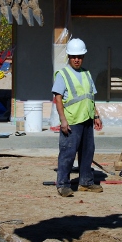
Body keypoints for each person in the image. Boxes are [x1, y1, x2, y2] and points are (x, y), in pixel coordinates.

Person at [52, 38, 103, 197]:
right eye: (74, 56)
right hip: (72, 121)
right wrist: (63, 120)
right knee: (68, 153)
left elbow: (90, 97)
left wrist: (96, 115)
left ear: (84, 57)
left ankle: (86, 182)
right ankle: (63, 184)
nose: (76, 59)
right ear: (69, 56)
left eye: (79, 56)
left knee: (88, 151)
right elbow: (58, 98)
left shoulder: (87, 73)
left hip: (87, 119)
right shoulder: (63, 74)